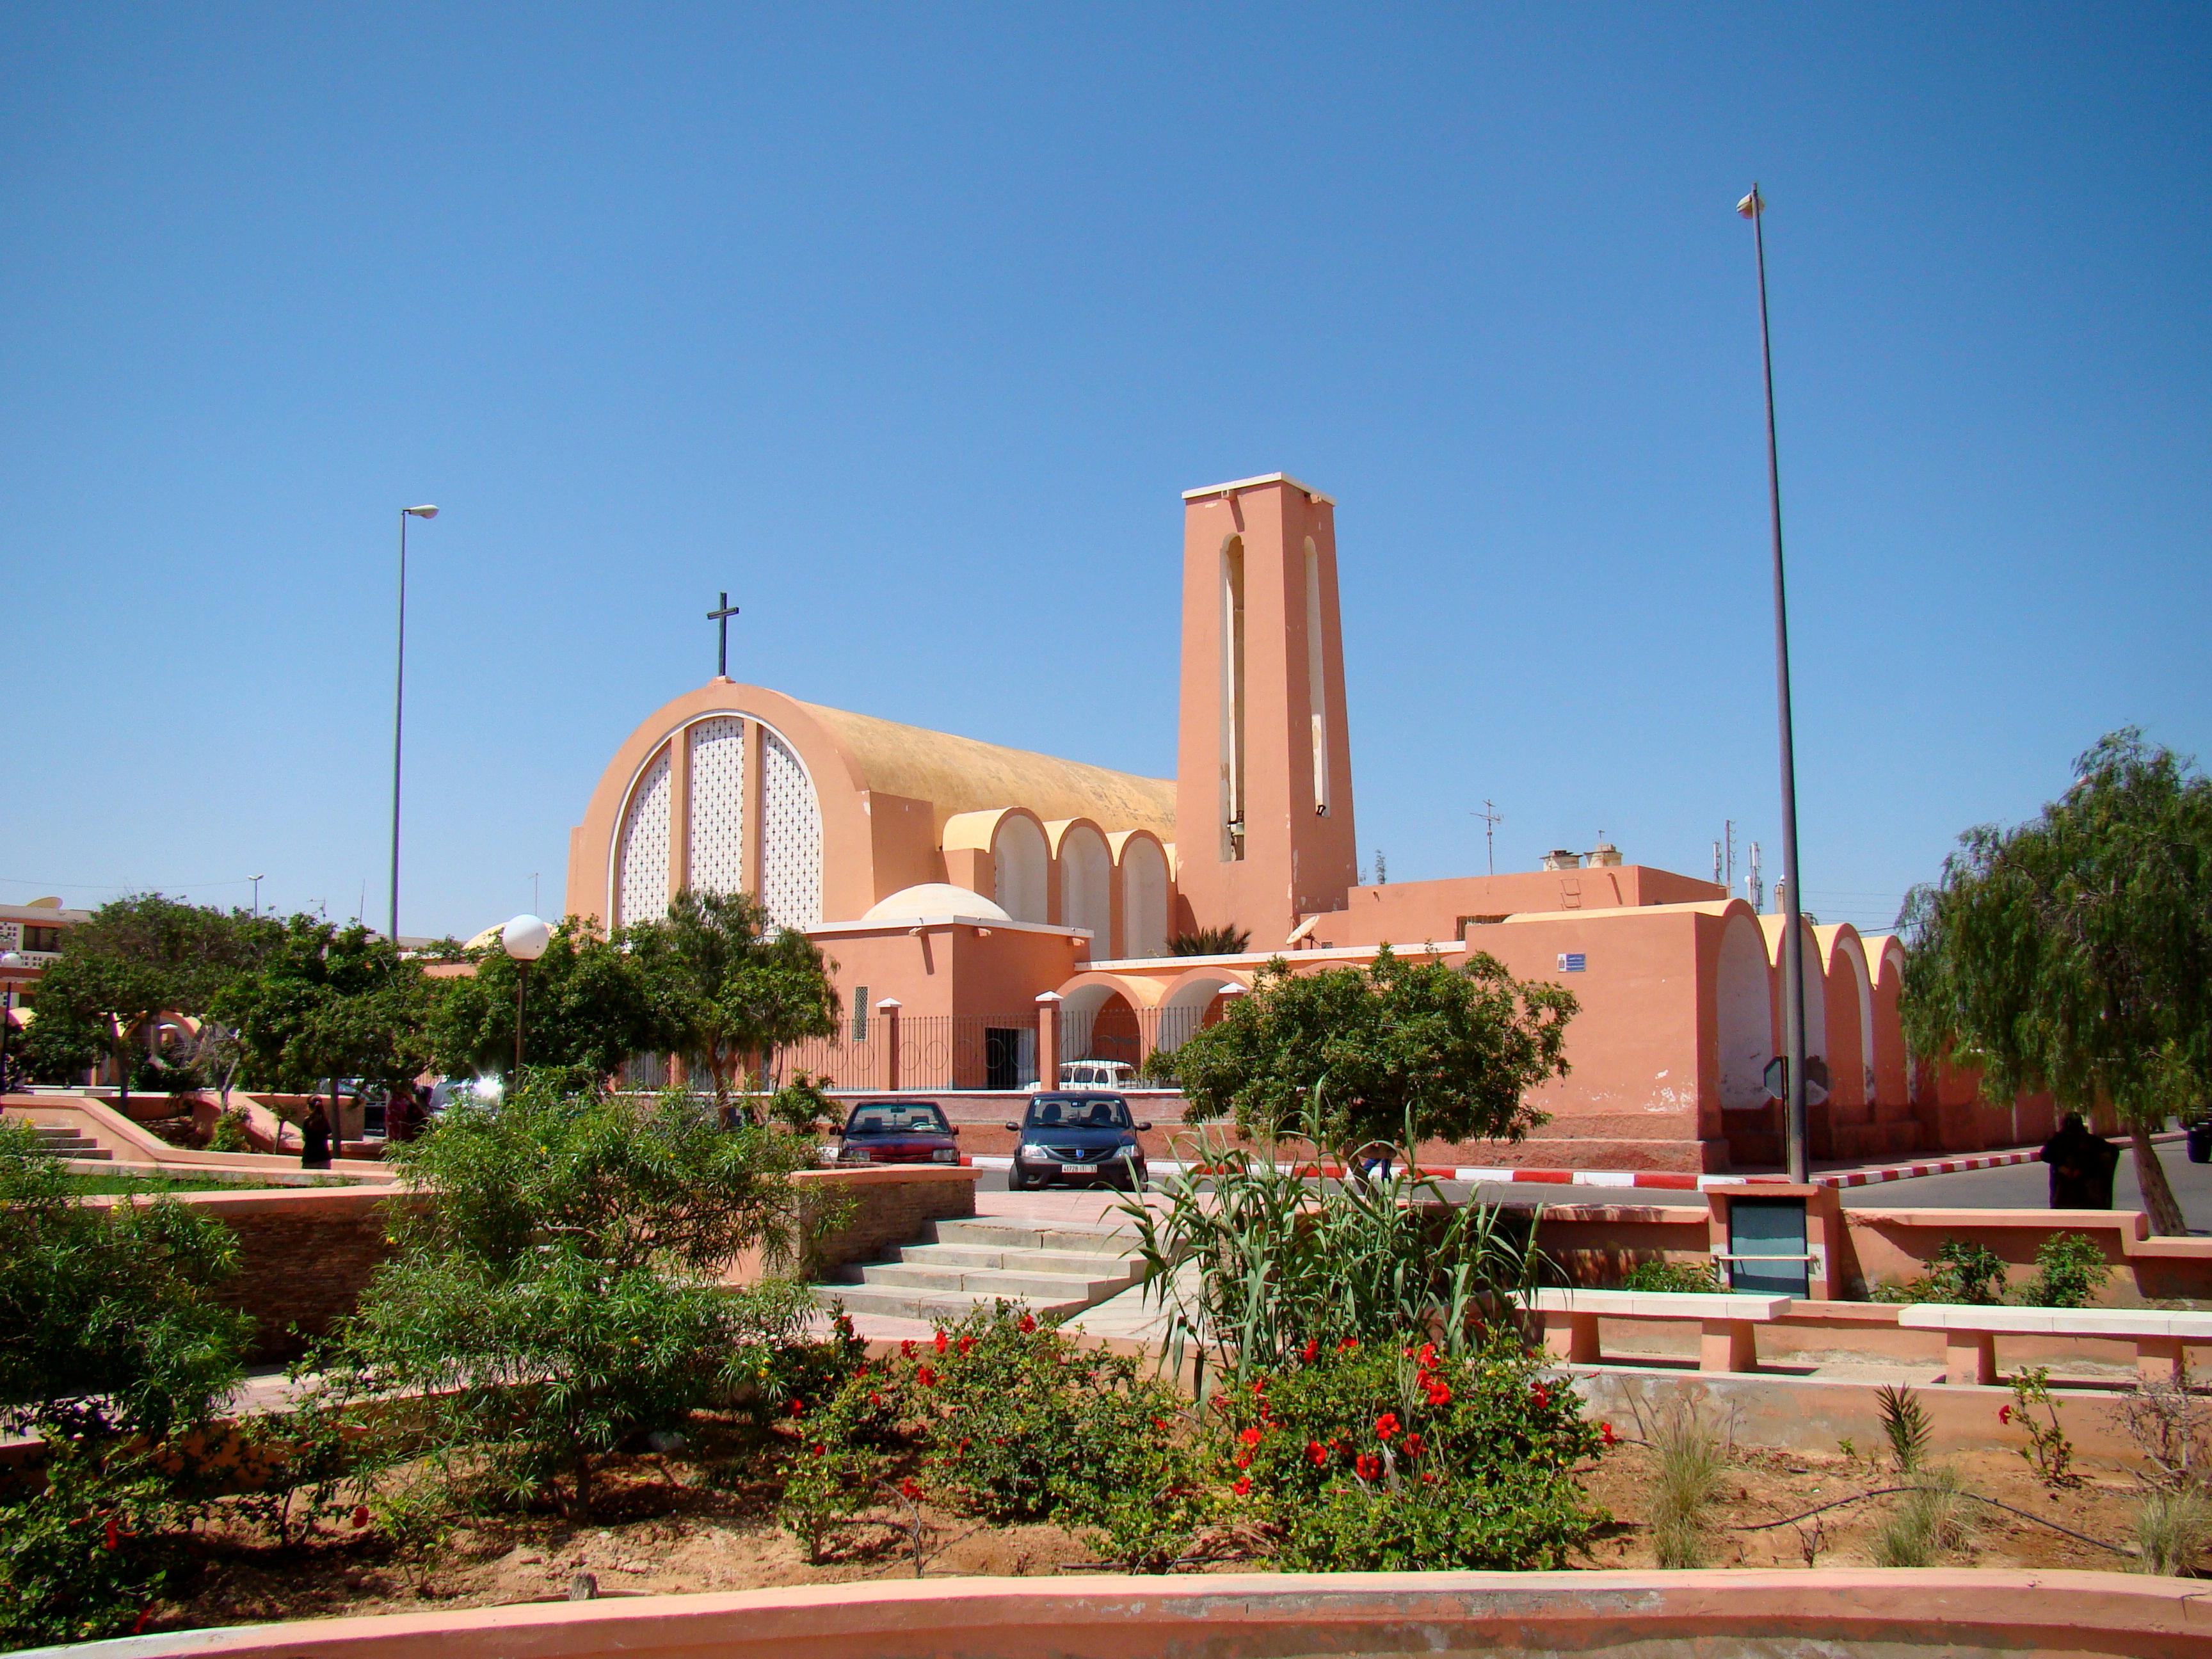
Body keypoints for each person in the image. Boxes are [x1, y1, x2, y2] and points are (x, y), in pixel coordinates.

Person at [2040, 1112, 2119, 1210]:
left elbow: (2110, 1152)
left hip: (2085, 1193)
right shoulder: (2059, 1141)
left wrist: (2083, 1169)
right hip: (2063, 1193)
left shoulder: (2090, 1141)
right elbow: (2045, 1155)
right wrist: (2061, 1167)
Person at [300, 1096, 332, 1169]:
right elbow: (329, 1133)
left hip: (309, 1157)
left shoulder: (307, 1121)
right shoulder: (324, 1121)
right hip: (324, 1156)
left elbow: (304, 1137)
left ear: (309, 1106)